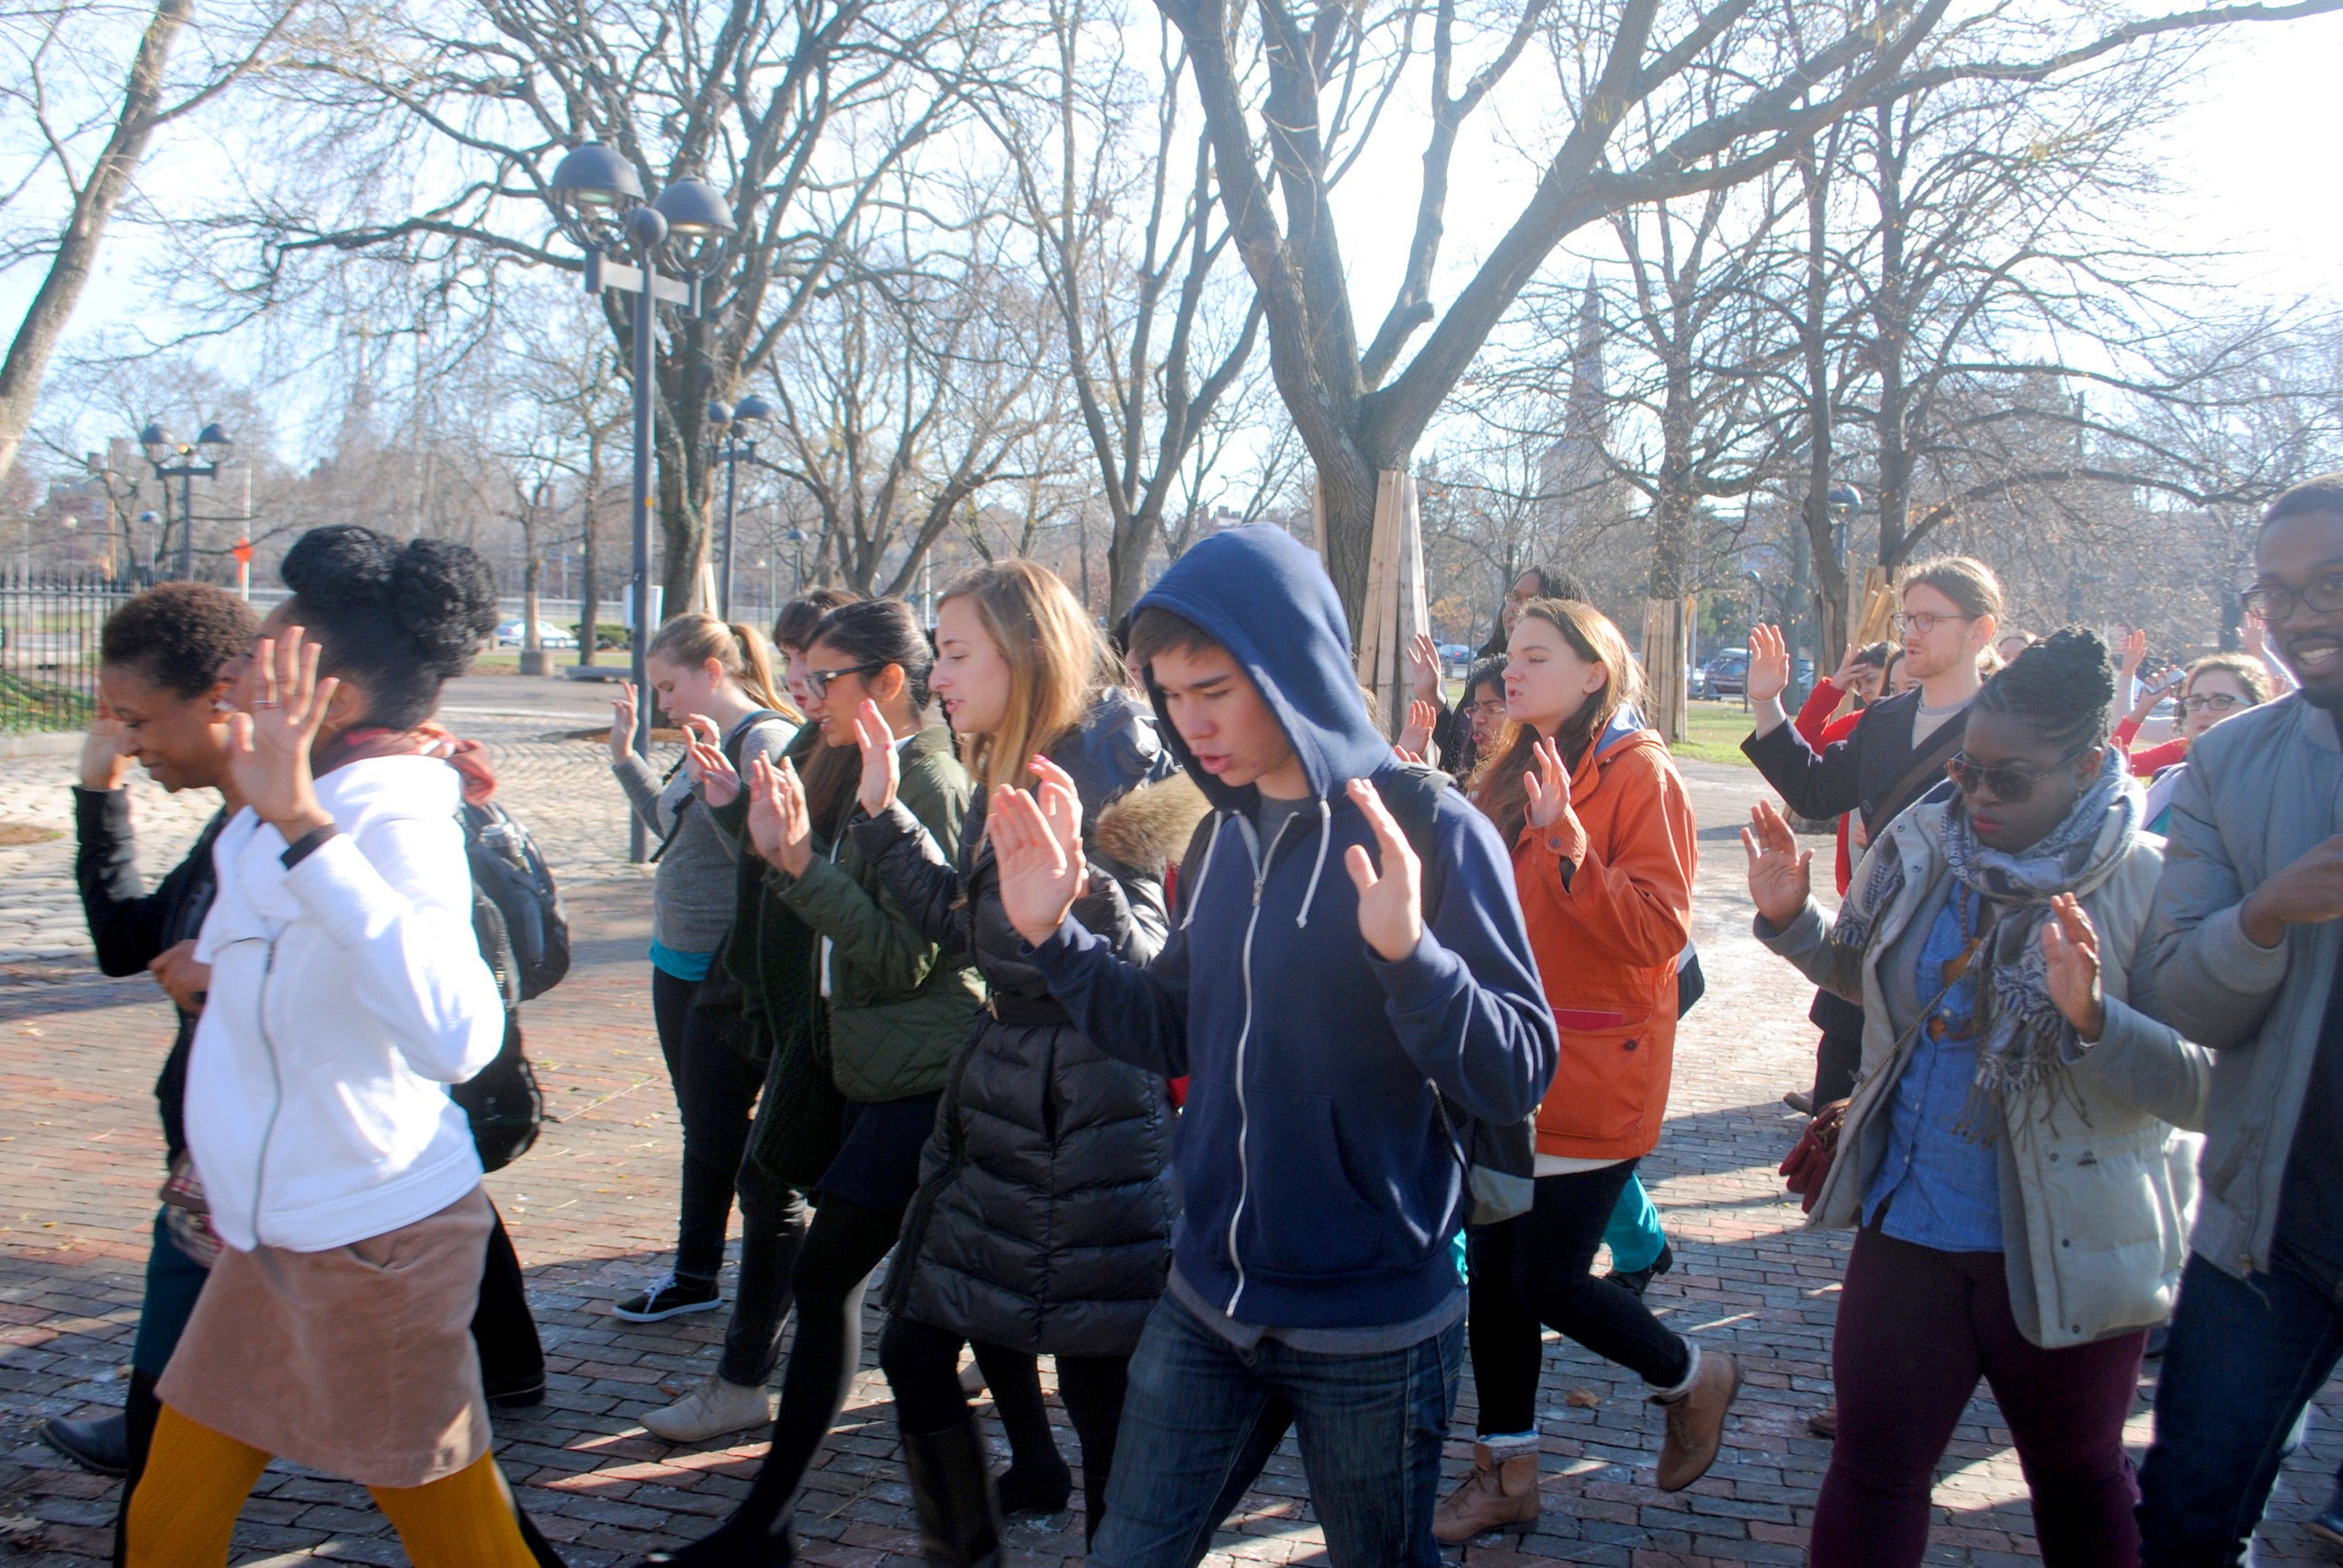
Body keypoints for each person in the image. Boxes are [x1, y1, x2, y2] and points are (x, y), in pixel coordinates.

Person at [985, 523, 1558, 1568]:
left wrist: (1411, 955)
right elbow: (1167, 1028)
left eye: (1214, 690)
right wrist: (1054, 936)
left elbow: (1519, 1066)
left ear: (1289, 667)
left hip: (1371, 1325)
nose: (1187, 723)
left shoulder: (1429, 829)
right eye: (1169, 694)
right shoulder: (1220, 839)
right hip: (1207, 1300)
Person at [121, 526, 545, 1565]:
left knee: (467, 1544)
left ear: (336, 701)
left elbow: (456, 1030)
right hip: (272, 1240)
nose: (232, 670)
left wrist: (310, 834)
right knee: (167, 1525)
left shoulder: (386, 815)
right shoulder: (270, 807)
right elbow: (313, 974)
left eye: (261, 657)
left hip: (375, 1250)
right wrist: (224, 977)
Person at [1746, 628, 2207, 1568]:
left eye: (2011, 778)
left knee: (2075, 1477)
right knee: (1874, 1471)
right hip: (1912, 1218)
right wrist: (1793, 921)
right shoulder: (1924, 838)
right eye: (1966, 769)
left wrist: (2092, 1018)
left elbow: (2205, 1087)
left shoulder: (2149, 882)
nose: (1978, 795)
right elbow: (1863, 975)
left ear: (2088, 765)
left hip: (2067, 1238)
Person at [850, 560, 1200, 1559]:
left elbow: (1143, 976)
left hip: (1092, 1129)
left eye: (955, 653)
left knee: (1103, 1400)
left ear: (1026, 653)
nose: (935, 676)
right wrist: (880, 817)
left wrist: (1075, 891)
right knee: (916, 1349)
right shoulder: (1004, 761)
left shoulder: (1109, 763)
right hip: (999, 1112)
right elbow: (971, 934)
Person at [651, 598, 984, 1564]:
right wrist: (764, 844)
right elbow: (829, 925)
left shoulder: (927, 779)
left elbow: (897, 959)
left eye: (825, 676)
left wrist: (797, 865)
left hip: (921, 1077)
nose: (805, 690)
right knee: (940, 1328)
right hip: (871, 1065)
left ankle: (773, 1526)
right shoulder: (859, 762)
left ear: (886, 682)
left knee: (857, 1292)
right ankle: (1014, 1491)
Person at [1432, 598, 1726, 1543]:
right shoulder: (1511, 766)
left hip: (1593, 1068)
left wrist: (1571, 846)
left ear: (1593, 670)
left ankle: (1691, 1375)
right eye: (1508, 657)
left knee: (1547, 1282)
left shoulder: (1641, 775)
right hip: (1505, 1072)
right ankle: (1506, 1470)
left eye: (1535, 657)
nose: (1510, 673)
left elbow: (1656, 931)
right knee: (1496, 1287)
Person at [2134, 474, 2343, 1565]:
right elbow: (2180, 993)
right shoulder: (2231, 761)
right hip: (2275, 1229)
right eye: (2278, 591)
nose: (2301, 613)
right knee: (2188, 1511)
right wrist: (2265, 916)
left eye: (2331, 583)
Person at [41, 585, 254, 1537]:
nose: (128, 741)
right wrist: (98, 798)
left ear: (217, 698)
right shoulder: (231, 827)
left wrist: (240, 978)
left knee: (420, 1453)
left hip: (268, 1187)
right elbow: (128, 939)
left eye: (136, 721)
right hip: (208, 1171)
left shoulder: (305, 823)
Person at [1743, 558, 2003, 1113]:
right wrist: (1768, 703)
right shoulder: (1884, 717)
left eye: (1930, 619)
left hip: (1955, 971)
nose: (1911, 632)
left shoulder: (2008, 731)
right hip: (1864, 958)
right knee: (1835, 1143)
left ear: (1981, 631)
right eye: (1908, 618)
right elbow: (1813, 793)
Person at [604, 615, 798, 1332]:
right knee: (702, 1121)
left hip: (729, 967)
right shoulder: (699, 744)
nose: (665, 704)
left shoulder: (767, 741)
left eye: (670, 686)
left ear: (713, 671)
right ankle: (699, 1273)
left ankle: (708, 1272)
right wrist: (628, 758)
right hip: (675, 957)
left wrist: (724, 800)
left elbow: (775, 857)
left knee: (717, 1125)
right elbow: (671, 826)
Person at [1476, 564, 1591, 660]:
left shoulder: (1576, 678)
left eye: (1531, 602)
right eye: (1514, 598)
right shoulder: (1485, 668)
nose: (1515, 608)